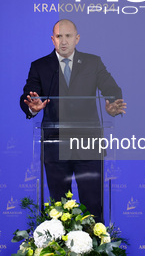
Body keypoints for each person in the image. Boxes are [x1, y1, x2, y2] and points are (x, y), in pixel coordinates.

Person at [20, 19, 126, 223]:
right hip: (55, 145)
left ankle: (94, 252)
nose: (64, 41)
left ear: (77, 38)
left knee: (92, 206)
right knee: (58, 210)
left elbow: (112, 89)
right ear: (53, 39)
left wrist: (112, 105)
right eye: (59, 36)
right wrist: (32, 107)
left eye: (68, 36)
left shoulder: (93, 62)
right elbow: (28, 96)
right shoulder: (40, 66)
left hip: (88, 145)